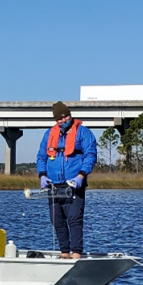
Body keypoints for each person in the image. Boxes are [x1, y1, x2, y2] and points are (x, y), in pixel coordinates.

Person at [36, 101, 97, 259]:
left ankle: (76, 253)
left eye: (66, 117)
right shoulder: (49, 134)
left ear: (70, 115)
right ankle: (64, 253)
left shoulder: (83, 132)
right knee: (57, 220)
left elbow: (90, 155)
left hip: (74, 184)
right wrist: (42, 175)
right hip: (54, 184)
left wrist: (81, 175)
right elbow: (41, 157)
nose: (63, 120)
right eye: (59, 119)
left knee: (74, 219)